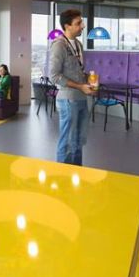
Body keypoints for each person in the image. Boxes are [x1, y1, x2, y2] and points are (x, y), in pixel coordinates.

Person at [49, 9, 95, 165]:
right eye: (78, 23)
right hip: (68, 100)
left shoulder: (79, 45)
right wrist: (80, 86)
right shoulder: (59, 45)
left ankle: (76, 174)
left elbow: (77, 71)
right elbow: (54, 76)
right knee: (68, 140)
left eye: (81, 22)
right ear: (67, 26)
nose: (82, 26)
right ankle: (63, 177)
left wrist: (89, 78)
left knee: (79, 140)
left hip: (81, 98)